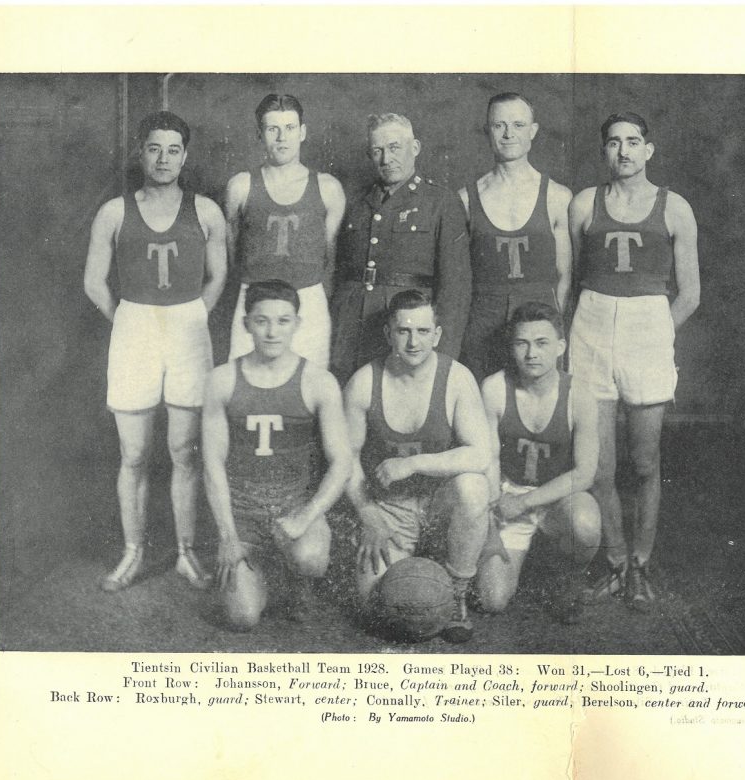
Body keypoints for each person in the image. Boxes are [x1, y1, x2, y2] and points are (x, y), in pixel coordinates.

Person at [83, 110, 227, 592]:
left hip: (188, 327)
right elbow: (93, 282)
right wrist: (128, 321)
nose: (163, 159)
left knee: (185, 451)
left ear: (184, 156)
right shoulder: (115, 211)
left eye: (172, 150)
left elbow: (218, 276)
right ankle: (133, 551)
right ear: (140, 153)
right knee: (134, 451)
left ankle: (186, 552)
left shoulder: (206, 210)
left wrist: (193, 317)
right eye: (153, 148)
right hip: (135, 326)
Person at [567, 112, 700, 611]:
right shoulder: (585, 204)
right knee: (599, 465)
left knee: (644, 461)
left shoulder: (674, 208)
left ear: (649, 150)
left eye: (633, 142)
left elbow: (690, 293)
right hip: (593, 322)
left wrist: (655, 333)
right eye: (613, 142)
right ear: (603, 150)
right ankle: (616, 561)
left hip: (648, 324)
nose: (623, 151)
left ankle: (642, 564)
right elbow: (572, 276)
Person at [201, 279, 352, 629]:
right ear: (246, 324)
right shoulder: (222, 380)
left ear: (297, 324)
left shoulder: (318, 381)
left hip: (292, 508)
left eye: (283, 321)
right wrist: (227, 535)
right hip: (242, 515)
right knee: (242, 618)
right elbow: (212, 463)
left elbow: (342, 461)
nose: (272, 332)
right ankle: (261, 569)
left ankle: (297, 579)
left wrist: (306, 516)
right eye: (262, 321)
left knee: (311, 558)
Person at [343, 290, 489, 642]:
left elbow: (481, 454)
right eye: (404, 331)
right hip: (391, 509)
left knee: (473, 486)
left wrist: (414, 464)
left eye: (423, 332)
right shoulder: (364, 381)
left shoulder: (457, 378)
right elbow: (345, 459)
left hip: (441, 505)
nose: (413, 341)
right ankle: (415, 566)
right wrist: (367, 513)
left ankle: (457, 593)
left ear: (437, 335)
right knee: (372, 603)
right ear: (388, 334)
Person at [476, 302, 601, 622]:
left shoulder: (580, 395)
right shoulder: (494, 388)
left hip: (556, 499)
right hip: (506, 498)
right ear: (512, 347)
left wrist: (527, 502)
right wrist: (495, 509)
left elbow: (585, 473)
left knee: (585, 524)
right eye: (522, 343)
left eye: (542, 343)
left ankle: (567, 577)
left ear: (561, 347)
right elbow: (485, 459)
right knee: (492, 600)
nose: (532, 353)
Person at [330, 113, 472, 383]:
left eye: (395, 148)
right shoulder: (358, 202)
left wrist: (442, 357)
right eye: (377, 151)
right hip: (352, 330)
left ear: (415, 148)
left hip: (408, 333)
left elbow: (456, 288)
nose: (386, 159)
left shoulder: (440, 202)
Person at [224, 93, 346, 368]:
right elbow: (232, 247)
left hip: (308, 299)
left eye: (290, 128)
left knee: (309, 387)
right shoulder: (241, 186)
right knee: (246, 385)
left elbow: (330, 257)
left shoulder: (328, 188)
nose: (282, 137)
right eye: (272, 129)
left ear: (302, 132)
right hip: (253, 297)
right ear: (260, 133)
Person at [459, 93, 573, 382]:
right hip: (482, 319)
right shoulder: (466, 199)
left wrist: (553, 327)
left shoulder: (558, 196)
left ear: (532, 131)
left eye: (518, 125)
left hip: (539, 320)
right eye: (499, 125)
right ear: (487, 131)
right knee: (482, 407)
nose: (509, 134)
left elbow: (565, 277)